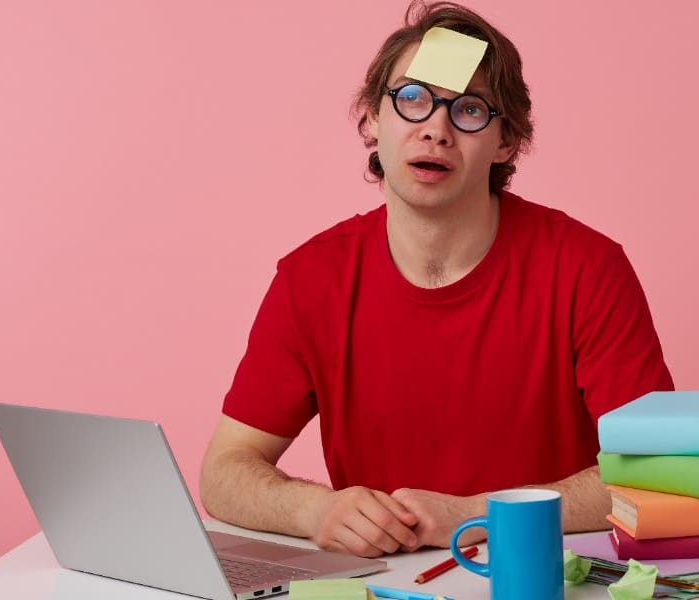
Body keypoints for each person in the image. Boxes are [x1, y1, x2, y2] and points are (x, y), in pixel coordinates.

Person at [199, 1, 673, 559]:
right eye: (412, 99)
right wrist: (315, 509)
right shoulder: (311, 278)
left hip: (543, 580)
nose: (436, 129)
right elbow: (223, 472)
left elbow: (656, 473)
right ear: (373, 119)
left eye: (469, 109)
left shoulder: (587, 267)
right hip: (380, 583)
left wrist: (477, 514)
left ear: (506, 142)